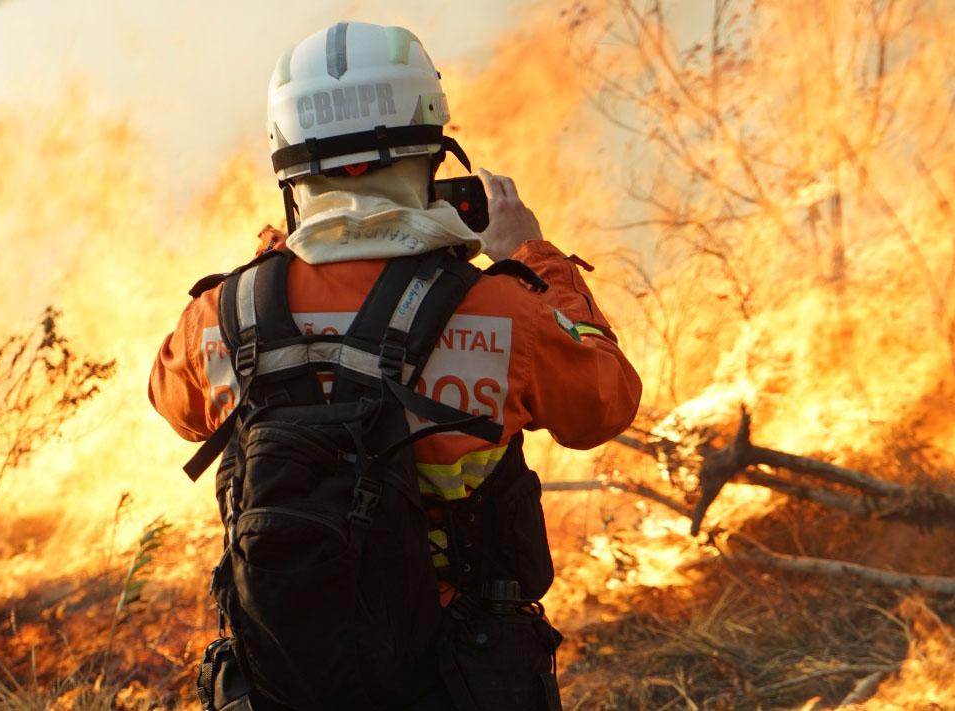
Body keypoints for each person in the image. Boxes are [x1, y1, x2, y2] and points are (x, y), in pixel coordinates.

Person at [150, 21, 641, 711]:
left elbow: (172, 401)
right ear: (433, 152)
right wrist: (534, 257)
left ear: (291, 166)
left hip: (284, 685)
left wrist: (270, 272)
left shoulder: (225, 314)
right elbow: (606, 402)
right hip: (453, 679)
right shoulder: (500, 308)